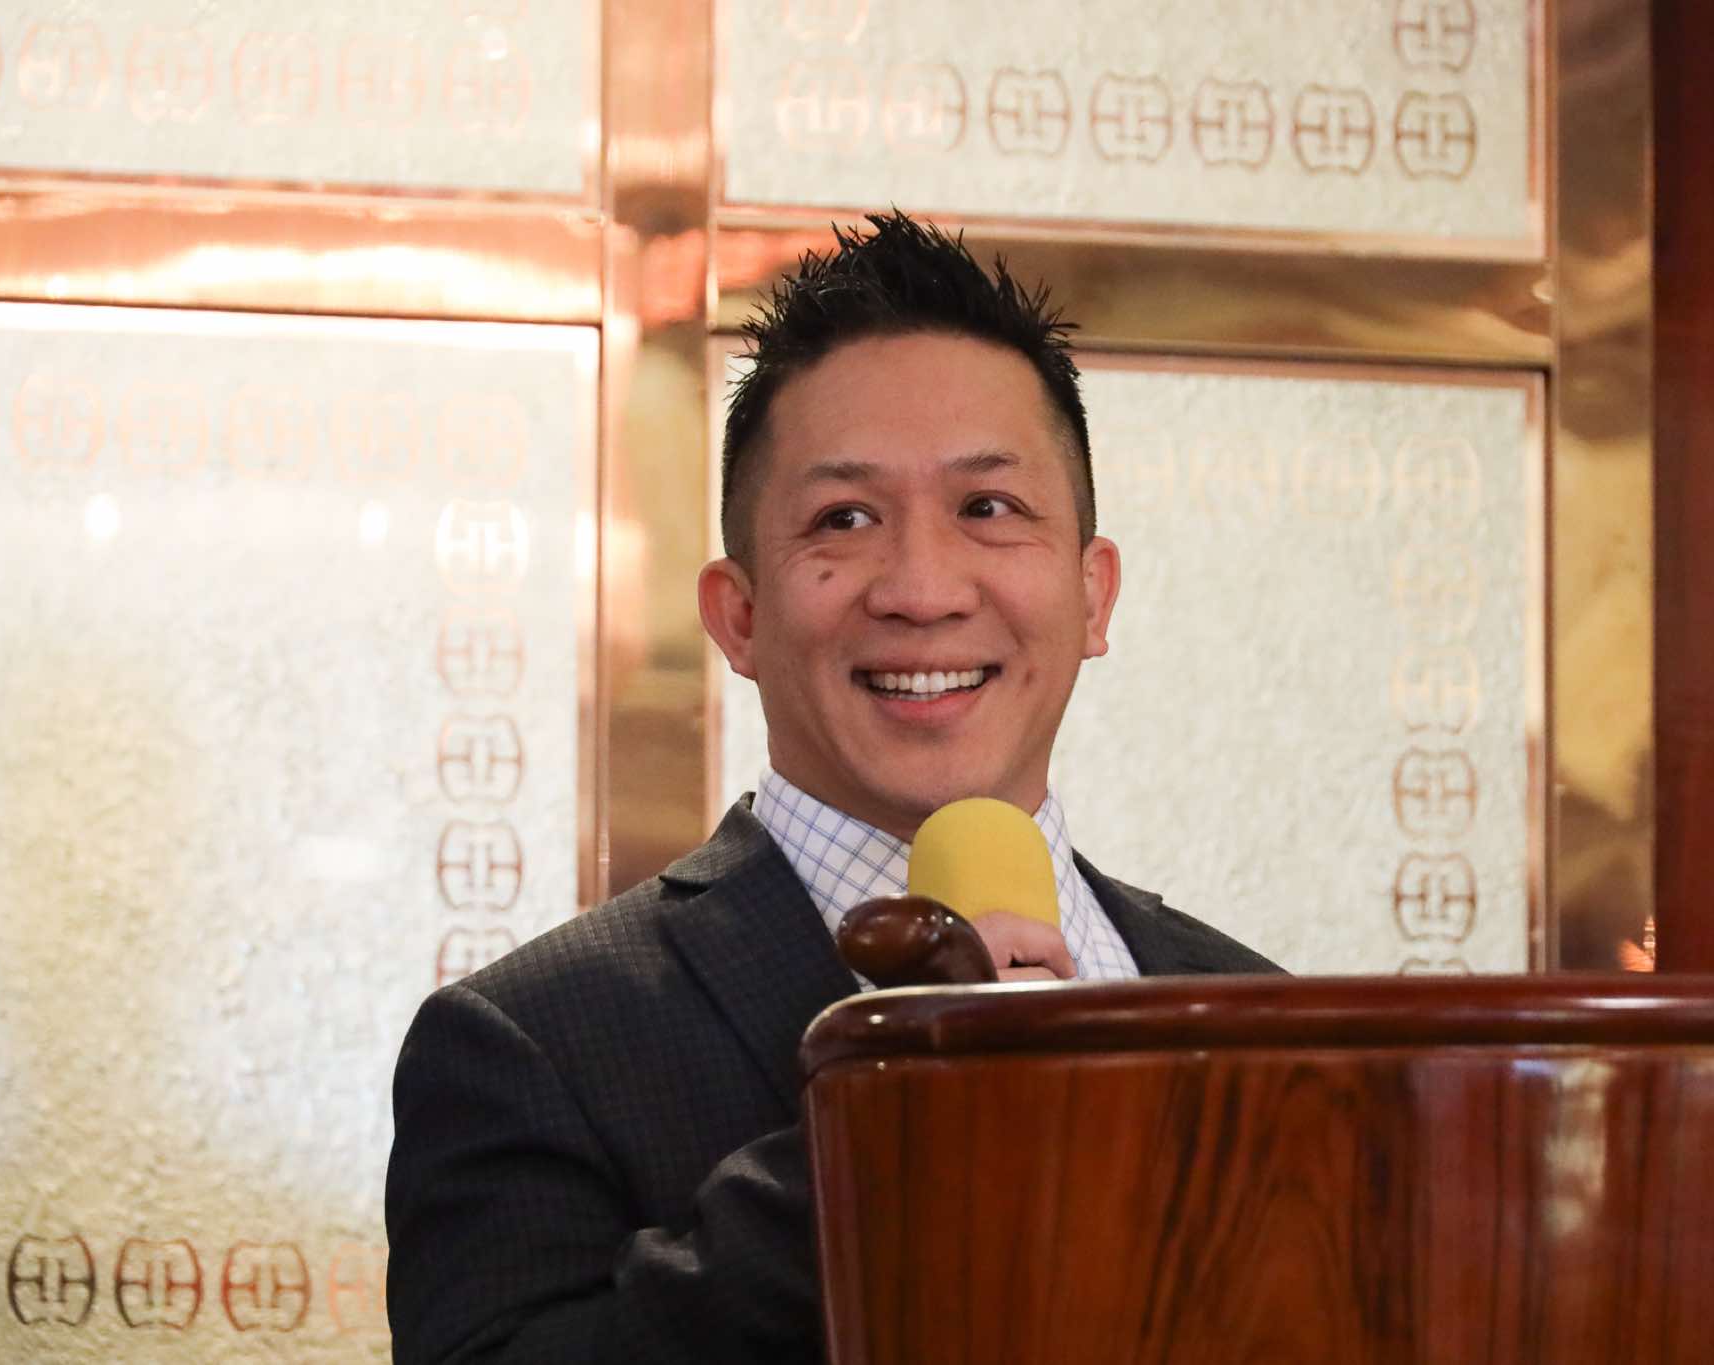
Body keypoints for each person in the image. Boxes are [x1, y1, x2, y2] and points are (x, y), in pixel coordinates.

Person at [385, 212, 1282, 1363]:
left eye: (987, 509)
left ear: (1092, 595)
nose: (920, 588)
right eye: (842, 519)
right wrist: (896, 1120)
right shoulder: (529, 1045)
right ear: (738, 617)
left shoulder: (1259, 1020)